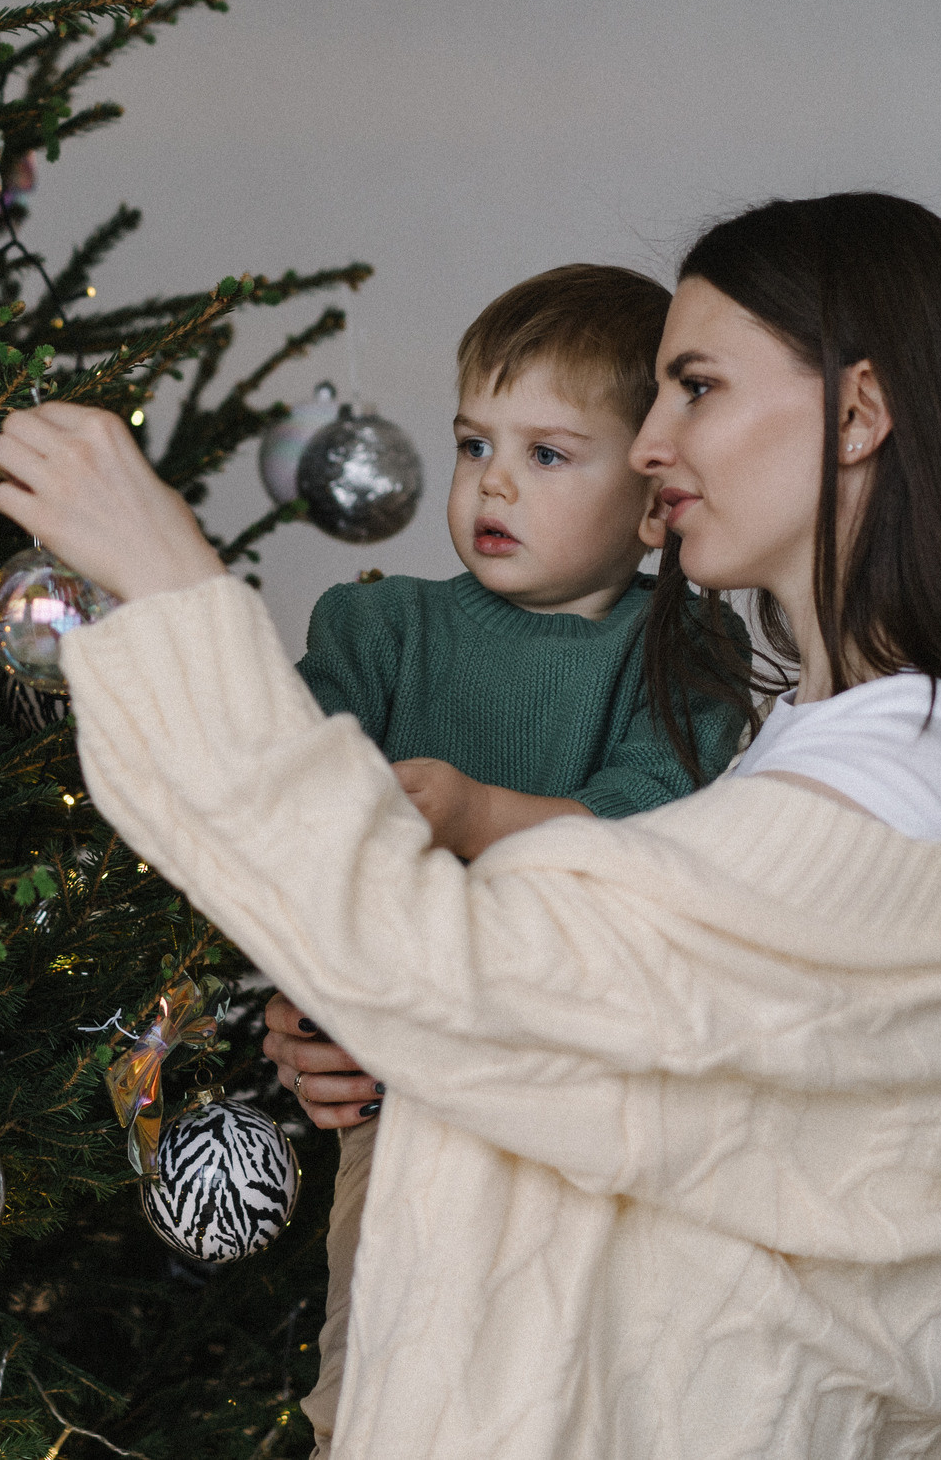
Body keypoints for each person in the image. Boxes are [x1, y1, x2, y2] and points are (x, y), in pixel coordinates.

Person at [0, 192, 941, 1460]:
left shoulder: (914, 770)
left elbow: (482, 979)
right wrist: (372, 1032)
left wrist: (172, 586)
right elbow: (578, 1039)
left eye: (696, 388)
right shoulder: (822, 741)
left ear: (856, 415)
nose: (650, 445)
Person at [287, 264, 752, 1451]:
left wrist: (479, 815)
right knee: (385, 1356)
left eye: (547, 453)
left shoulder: (678, 647)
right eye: (473, 444)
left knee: (577, 1370)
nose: (493, 481)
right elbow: (286, 812)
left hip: (591, 1082)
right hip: (404, 1078)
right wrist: (301, 991)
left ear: (651, 503)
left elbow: (657, 819)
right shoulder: (380, 631)